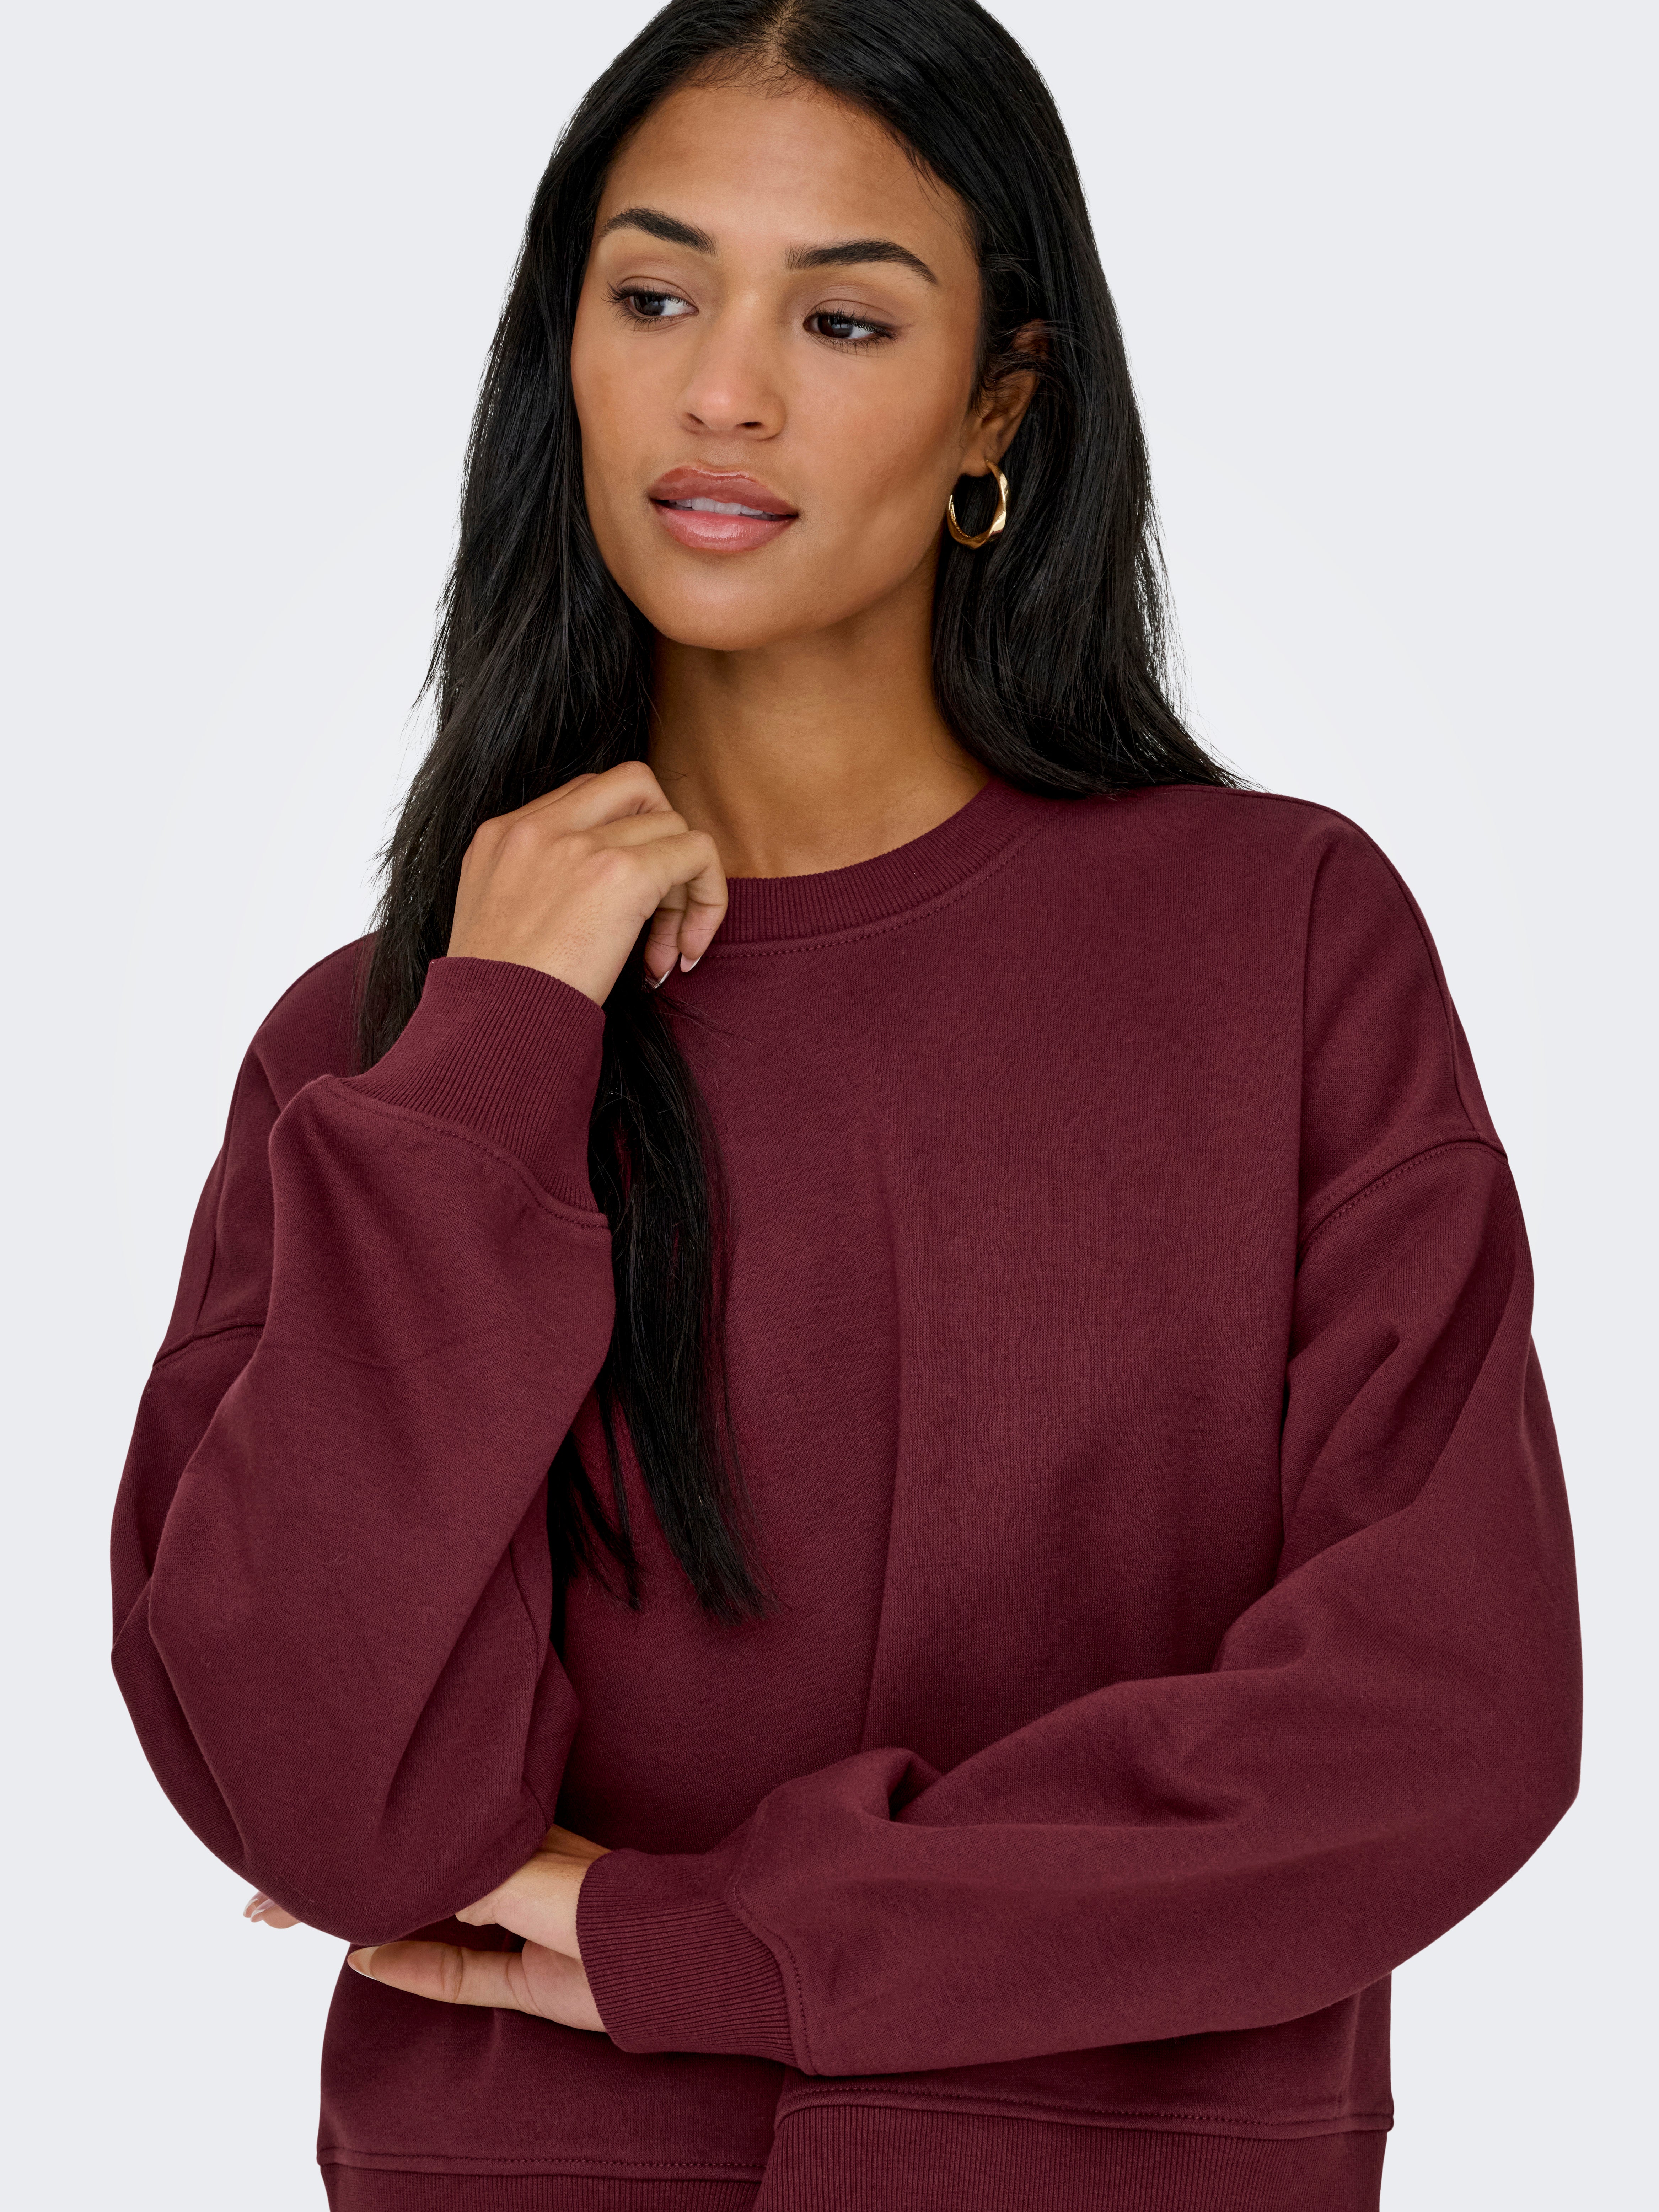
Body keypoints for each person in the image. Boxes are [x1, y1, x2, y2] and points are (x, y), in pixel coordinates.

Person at [108, 2, 1582, 2207]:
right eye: (655, 297)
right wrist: (500, 1041)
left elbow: (1443, 1722)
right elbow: (328, 1806)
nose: (725, 389)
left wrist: (721, 1938)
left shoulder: (1274, 943)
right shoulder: (392, 1051)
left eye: (845, 317)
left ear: (1002, 402)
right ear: (562, 356)